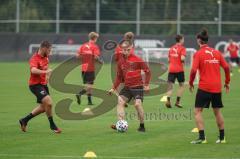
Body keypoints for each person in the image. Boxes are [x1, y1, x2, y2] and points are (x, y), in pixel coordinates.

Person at [189, 29, 230, 144]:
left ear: (199, 41)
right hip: (217, 87)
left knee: (197, 111)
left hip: (204, 87)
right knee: (217, 112)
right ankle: (222, 138)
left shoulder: (198, 53)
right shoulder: (217, 52)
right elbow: (226, 68)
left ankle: (202, 138)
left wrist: (191, 82)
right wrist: (227, 82)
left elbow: (193, 70)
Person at [108, 40, 151, 132]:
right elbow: (119, 77)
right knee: (120, 101)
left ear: (131, 49)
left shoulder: (137, 59)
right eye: (124, 50)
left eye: (128, 50)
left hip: (138, 87)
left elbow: (148, 72)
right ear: (121, 50)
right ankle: (121, 124)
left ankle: (142, 126)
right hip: (127, 87)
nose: (126, 52)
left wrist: (146, 85)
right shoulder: (120, 62)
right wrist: (113, 88)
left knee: (137, 104)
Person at [19, 41, 61, 133]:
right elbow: (33, 70)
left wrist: (47, 76)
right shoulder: (34, 58)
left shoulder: (46, 58)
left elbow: (46, 69)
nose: (50, 52)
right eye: (49, 50)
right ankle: (52, 125)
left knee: (43, 107)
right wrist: (46, 72)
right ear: (43, 48)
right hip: (35, 85)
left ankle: (24, 120)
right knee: (49, 103)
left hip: (43, 85)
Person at [76, 32, 103, 105]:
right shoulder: (95, 46)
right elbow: (96, 57)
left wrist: (85, 58)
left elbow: (77, 56)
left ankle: (89, 102)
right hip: (90, 69)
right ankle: (79, 94)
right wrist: (100, 61)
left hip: (83, 68)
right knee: (90, 85)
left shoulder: (83, 45)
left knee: (88, 85)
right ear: (95, 38)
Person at [165, 35, 186, 108]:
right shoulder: (182, 48)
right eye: (183, 39)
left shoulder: (171, 48)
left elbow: (168, 60)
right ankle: (177, 102)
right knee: (182, 85)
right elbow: (182, 58)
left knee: (170, 86)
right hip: (179, 69)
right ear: (180, 40)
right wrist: (183, 62)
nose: (183, 40)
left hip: (171, 69)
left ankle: (168, 100)